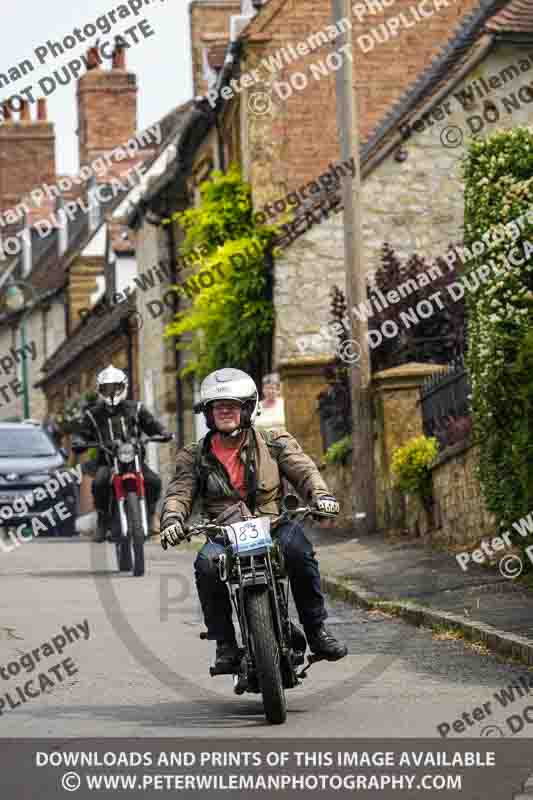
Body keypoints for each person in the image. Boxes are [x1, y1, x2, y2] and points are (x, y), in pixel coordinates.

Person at [159, 367, 347, 672]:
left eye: (233, 405)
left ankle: (316, 631)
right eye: (218, 407)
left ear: (248, 408)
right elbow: (179, 492)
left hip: (273, 525)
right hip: (224, 533)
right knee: (206, 566)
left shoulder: (275, 442)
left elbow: (304, 471)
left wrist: (320, 496)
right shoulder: (193, 456)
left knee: (299, 553)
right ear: (208, 413)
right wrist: (171, 520)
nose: (225, 412)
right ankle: (225, 645)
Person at [72, 365, 172, 542]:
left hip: (134, 459)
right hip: (107, 461)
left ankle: (149, 515)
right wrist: (79, 441)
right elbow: (82, 433)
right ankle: (103, 520)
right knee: (100, 483)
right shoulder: (93, 414)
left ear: (123, 387)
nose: (111, 392)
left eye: (115, 387)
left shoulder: (136, 408)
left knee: (153, 481)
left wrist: (163, 432)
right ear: (100, 390)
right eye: (106, 388)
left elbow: (151, 425)